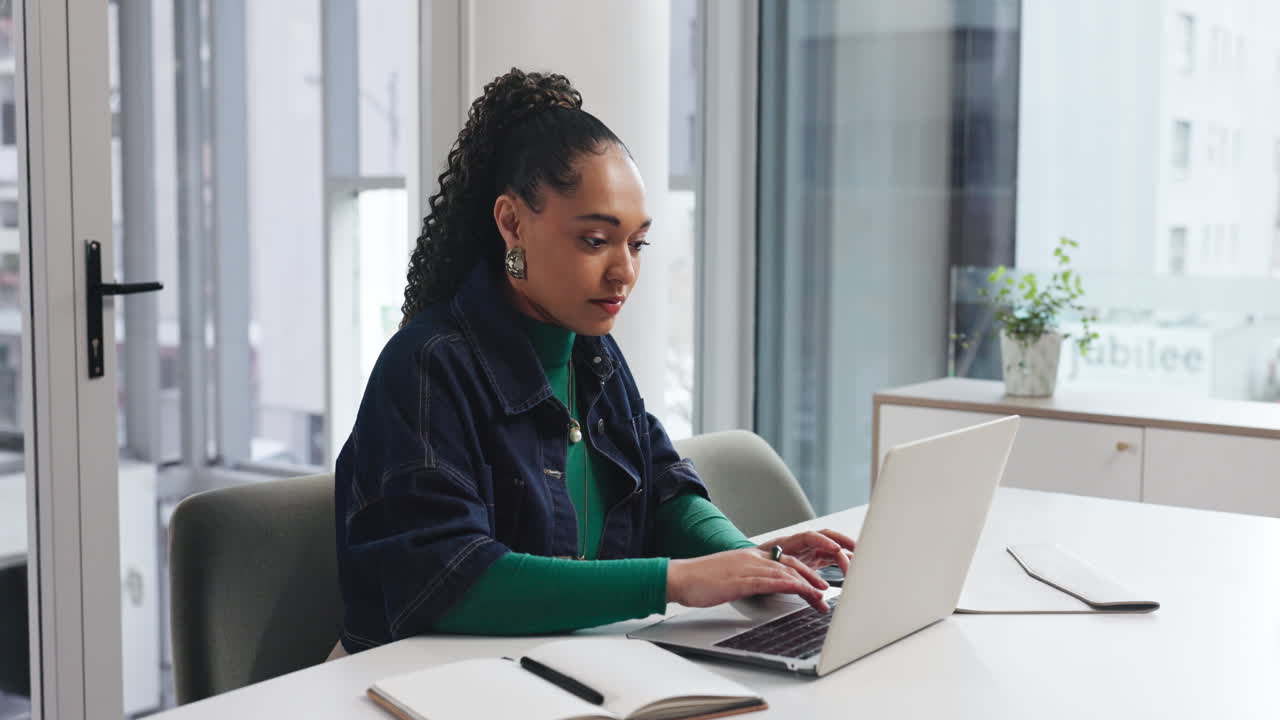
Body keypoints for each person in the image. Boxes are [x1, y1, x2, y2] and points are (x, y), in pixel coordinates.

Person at [332, 68, 855, 656]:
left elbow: (665, 492)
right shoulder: (427, 367)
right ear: (511, 223)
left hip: (567, 666)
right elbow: (449, 579)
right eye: (594, 240)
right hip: (425, 687)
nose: (623, 271)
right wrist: (675, 582)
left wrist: (755, 564)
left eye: (636, 243)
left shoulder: (592, 351)